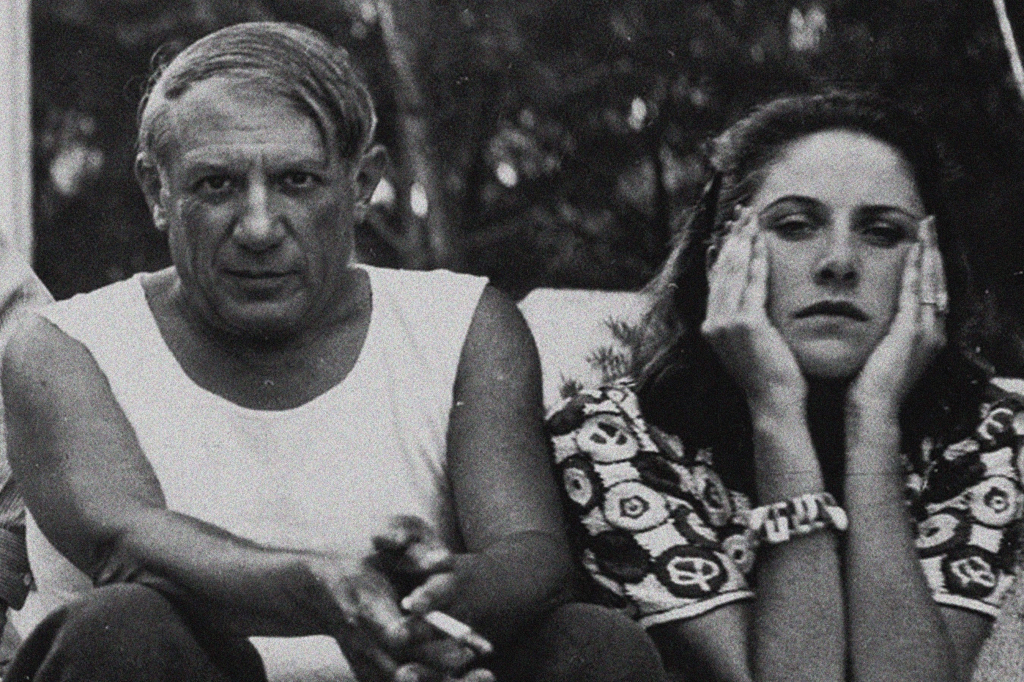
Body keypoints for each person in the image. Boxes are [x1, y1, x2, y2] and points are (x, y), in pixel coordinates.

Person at [1, 22, 664, 682]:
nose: (259, 228)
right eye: (215, 185)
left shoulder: (460, 324)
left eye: (297, 181)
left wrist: (439, 597)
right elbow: (128, 543)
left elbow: (533, 552)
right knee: (122, 626)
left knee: (595, 644)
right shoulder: (63, 344)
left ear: (362, 182)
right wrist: (323, 589)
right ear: (156, 191)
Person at [547, 91, 1024, 681]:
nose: (839, 262)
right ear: (722, 260)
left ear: (932, 268)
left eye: (881, 233)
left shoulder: (987, 434)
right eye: (795, 226)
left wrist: (873, 419)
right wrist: (776, 411)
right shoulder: (612, 435)